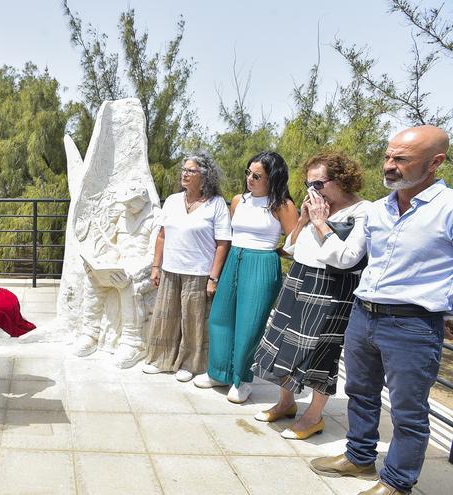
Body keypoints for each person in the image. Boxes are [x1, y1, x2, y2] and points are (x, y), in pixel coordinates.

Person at [310, 126, 453, 495]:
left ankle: (396, 482)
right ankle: (359, 457)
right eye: (388, 157)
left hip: (414, 324)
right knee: (360, 391)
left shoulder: (448, 209)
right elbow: (353, 257)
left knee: (407, 411)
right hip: (364, 314)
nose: (389, 166)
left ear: (435, 162)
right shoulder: (377, 209)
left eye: (401, 159)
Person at [251, 151, 369, 440]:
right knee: (282, 344)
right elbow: (291, 248)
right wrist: (304, 220)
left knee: (321, 352)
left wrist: (320, 223)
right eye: (309, 184)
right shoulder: (316, 208)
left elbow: (348, 258)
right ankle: (286, 403)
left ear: (340, 180)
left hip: (331, 286)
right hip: (299, 277)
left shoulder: (363, 211)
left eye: (318, 184)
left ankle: (313, 417)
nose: (312, 191)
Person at [194, 151, 298, 403]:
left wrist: (275, 251)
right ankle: (219, 372)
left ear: (272, 178)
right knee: (220, 317)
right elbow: (229, 235)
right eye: (248, 173)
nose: (250, 178)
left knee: (249, 325)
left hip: (261, 263)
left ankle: (241, 380)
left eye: (257, 175)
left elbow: (296, 243)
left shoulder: (282, 205)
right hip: (234, 259)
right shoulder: (239, 200)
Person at [142, 152, 231, 381]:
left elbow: (223, 244)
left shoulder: (216, 204)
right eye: (184, 169)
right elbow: (161, 236)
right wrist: (155, 266)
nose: (185, 174)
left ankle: (190, 365)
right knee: (166, 318)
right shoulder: (172, 200)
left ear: (205, 176)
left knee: (193, 321)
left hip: (198, 272)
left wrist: (213, 277)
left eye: (191, 170)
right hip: (170, 269)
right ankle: (162, 360)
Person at [73, 181, 155, 368]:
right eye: (125, 202)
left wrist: (133, 274)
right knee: (93, 279)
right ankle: (91, 332)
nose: (127, 205)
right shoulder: (123, 215)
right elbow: (115, 247)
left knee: (128, 286)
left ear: (142, 198)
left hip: (144, 273)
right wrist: (99, 265)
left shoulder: (155, 217)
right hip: (121, 266)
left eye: (131, 201)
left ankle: (132, 341)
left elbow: (154, 255)